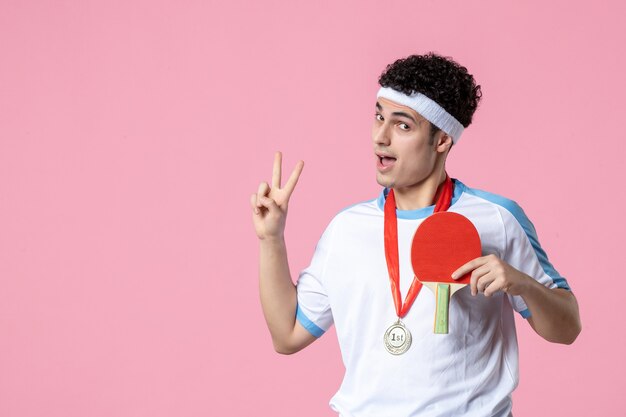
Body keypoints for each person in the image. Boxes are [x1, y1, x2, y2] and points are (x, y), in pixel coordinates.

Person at [250, 52, 581, 417]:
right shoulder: (345, 230)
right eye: (379, 117)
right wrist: (271, 239)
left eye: (402, 126)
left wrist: (521, 283)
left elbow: (567, 328)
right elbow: (287, 336)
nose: (380, 137)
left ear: (442, 140)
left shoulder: (498, 219)